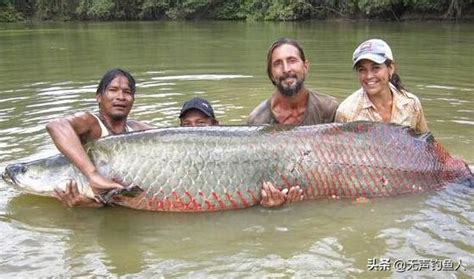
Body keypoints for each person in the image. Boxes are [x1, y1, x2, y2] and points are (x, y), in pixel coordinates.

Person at [49, 68, 153, 207]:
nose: (120, 97)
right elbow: (56, 125)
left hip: (117, 202)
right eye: (113, 90)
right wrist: (93, 176)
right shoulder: (91, 123)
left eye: (127, 92)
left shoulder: (138, 129)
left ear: (133, 100)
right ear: (99, 97)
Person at [179, 97, 301, 208]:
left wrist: (274, 205)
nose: (193, 130)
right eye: (187, 124)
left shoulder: (235, 156)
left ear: (216, 125)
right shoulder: (176, 162)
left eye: (201, 123)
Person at [335, 38, 429, 134]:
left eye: (376, 68)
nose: (369, 76)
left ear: (390, 68)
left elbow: (426, 143)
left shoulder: (411, 103)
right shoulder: (346, 112)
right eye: (362, 70)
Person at [248, 37, 338, 125]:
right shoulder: (258, 120)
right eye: (278, 64)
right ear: (271, 75)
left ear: (305, 67)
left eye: (292, 61)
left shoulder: (329, 109)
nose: (286, 69)